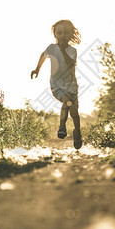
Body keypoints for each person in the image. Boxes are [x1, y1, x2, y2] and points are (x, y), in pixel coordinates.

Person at [31, 19, 82, 149]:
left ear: (71, 35)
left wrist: (62, 50)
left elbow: (70, 63)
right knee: (67, 102)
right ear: (55, 34)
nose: (62, 36)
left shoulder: (72, 51)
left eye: (66, 33)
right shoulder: (51, 48)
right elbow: (43, 55)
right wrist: (37, 69)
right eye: (59, 33)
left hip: (71, 86)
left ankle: (77, 132)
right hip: (57, 86)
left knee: (74, 113)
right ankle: (62, 127)